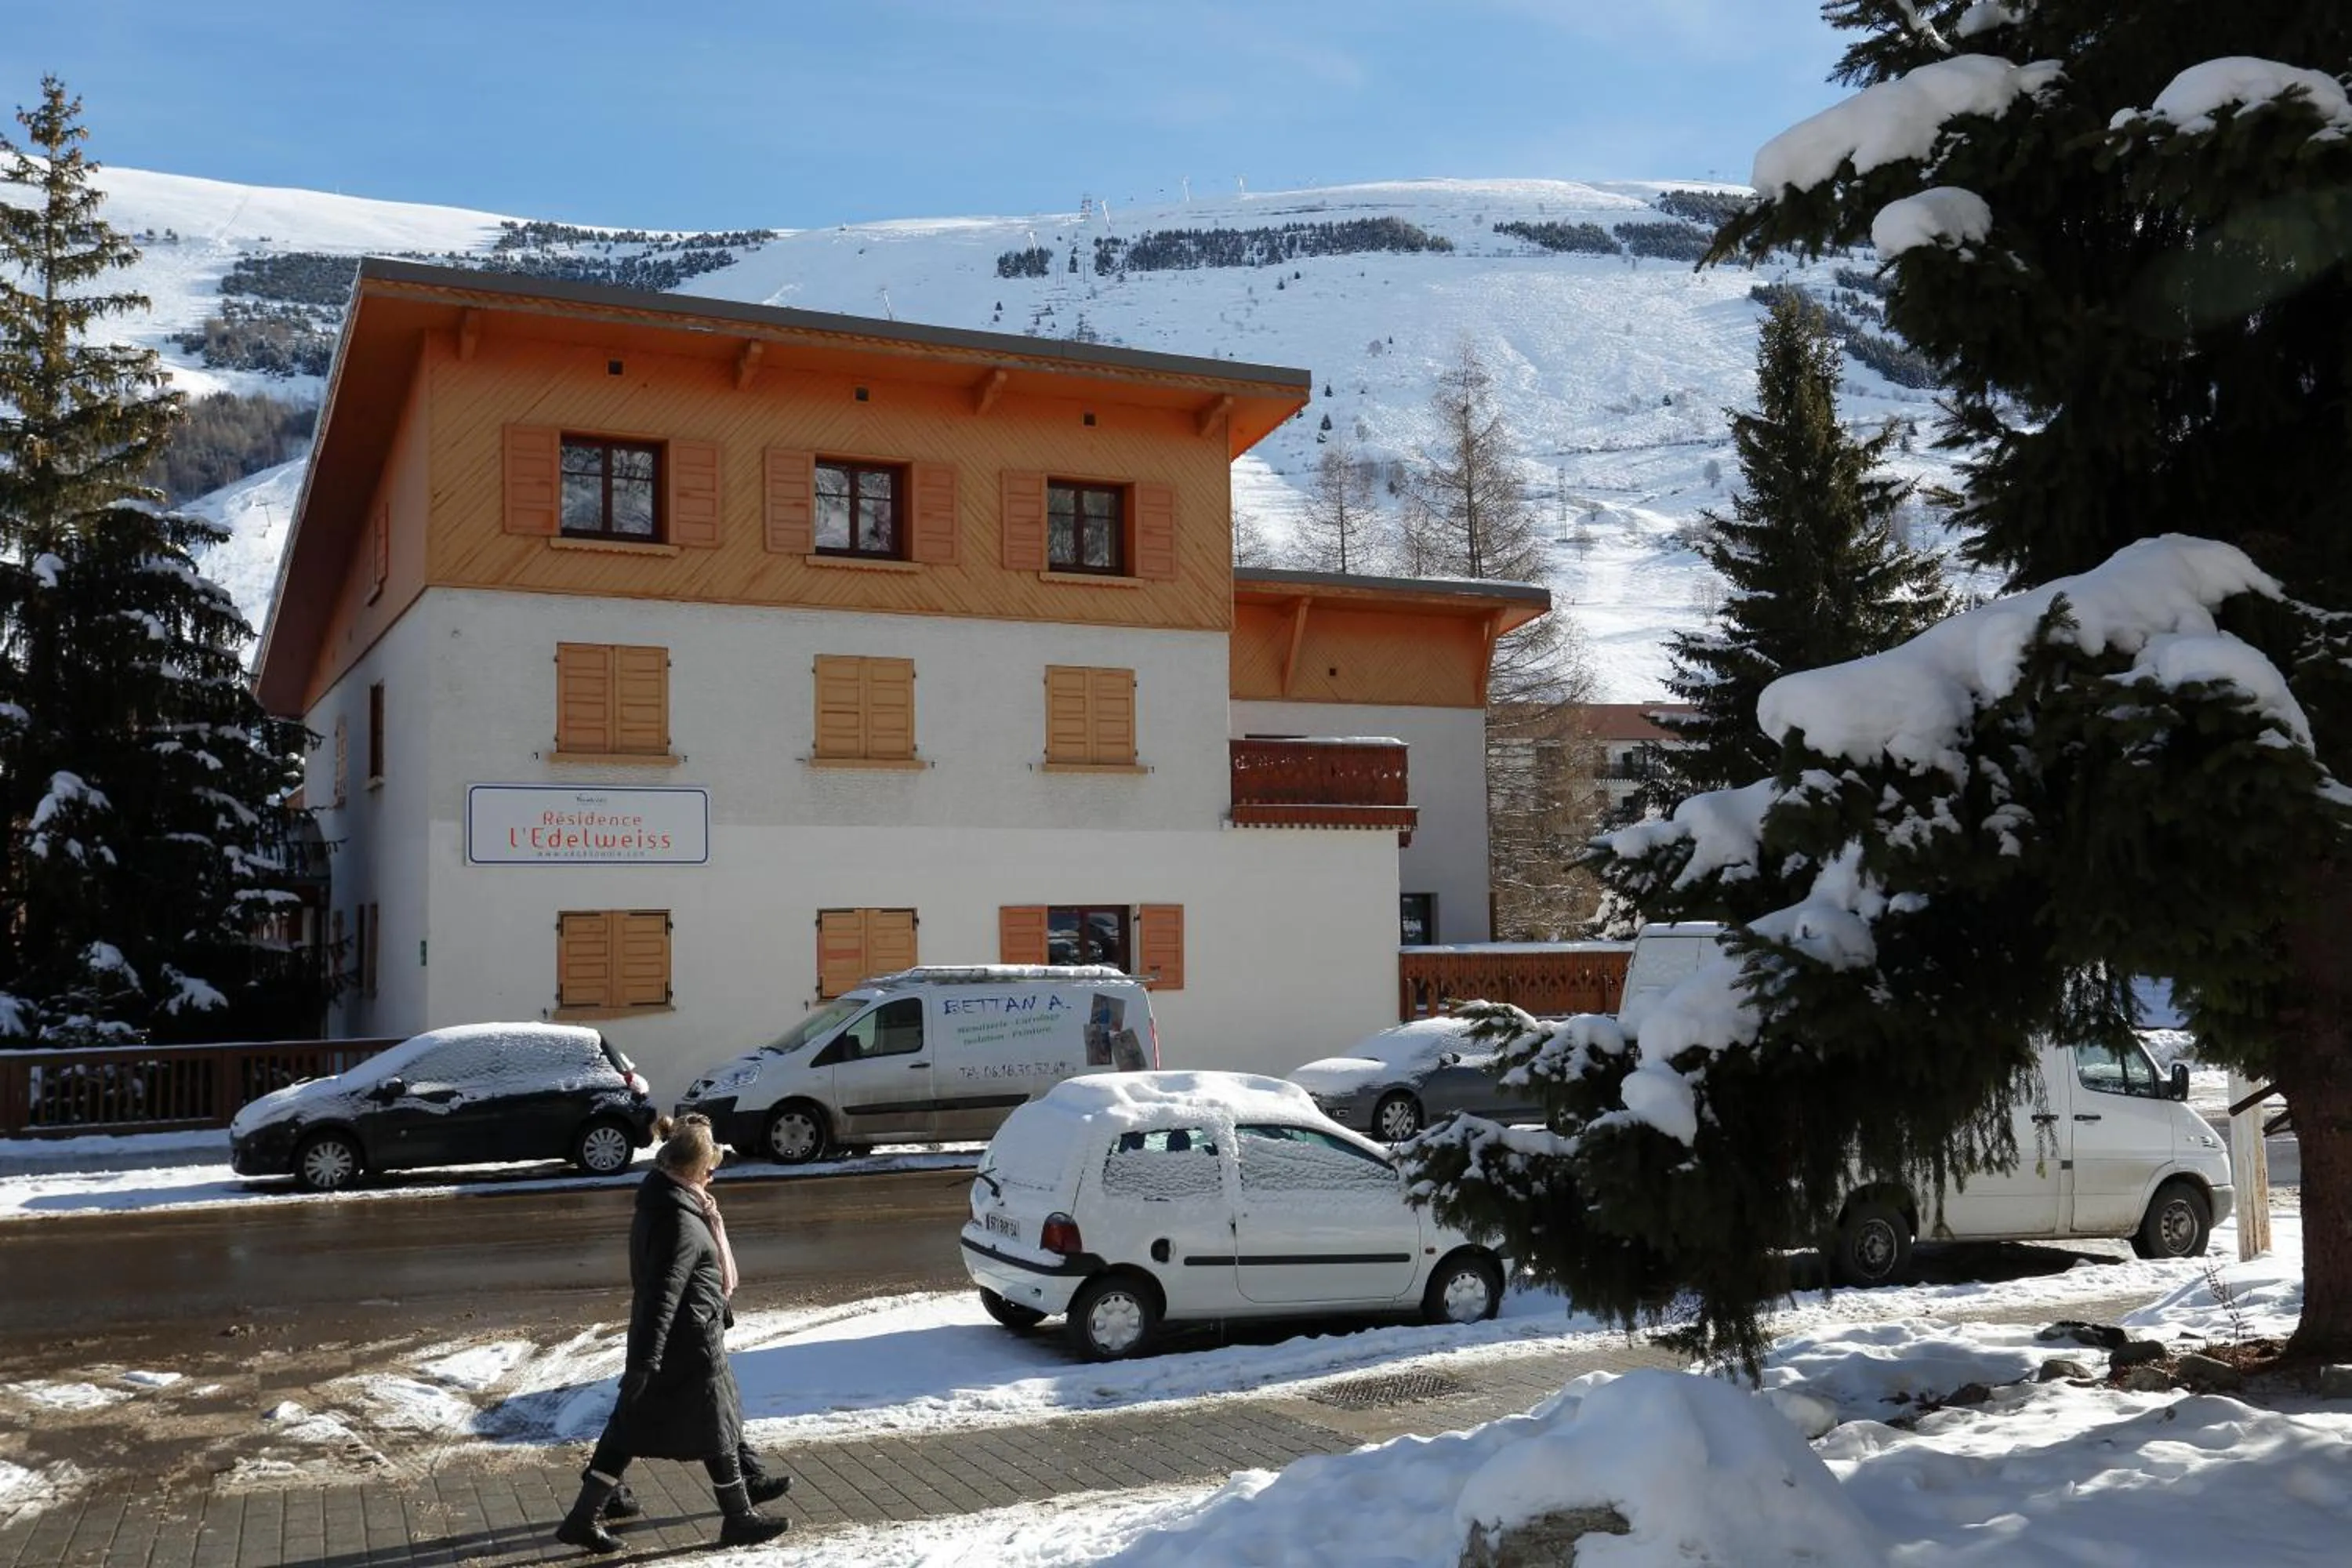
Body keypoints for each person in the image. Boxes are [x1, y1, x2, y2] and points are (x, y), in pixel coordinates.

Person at [554, 1113, 791, 1552]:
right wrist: (646, 1358)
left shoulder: (668, 1201)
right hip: (687, 1346)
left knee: (632, 1432)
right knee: (714, 1428)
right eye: (709, 1168)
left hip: (680, 1342)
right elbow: (662, 1293)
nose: (713, 1175)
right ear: (692, 1169)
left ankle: (582, 1520)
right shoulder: (679, 1220)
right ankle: (738, 1518)